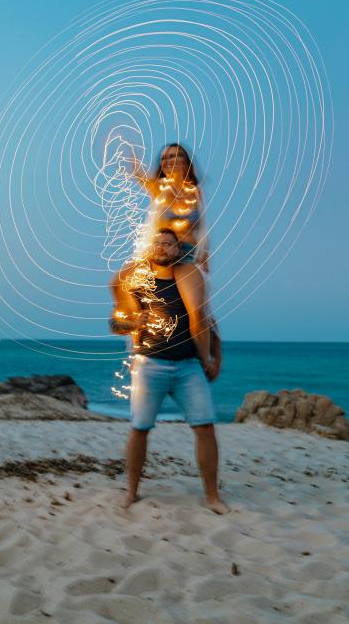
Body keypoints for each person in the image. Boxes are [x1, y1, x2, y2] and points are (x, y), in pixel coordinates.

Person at [110, 228, 228, 514]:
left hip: (188, 367)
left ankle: (212, 497)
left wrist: (213, 359)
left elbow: (207, 322)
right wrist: (137, 320)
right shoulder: (139, 284)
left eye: (168, 244)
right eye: (158, 243)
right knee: (139, 429)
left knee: (205, 427)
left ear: (177, 250)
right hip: (150, 365)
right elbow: (115, 325)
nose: (162, 247)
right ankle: (132, 492)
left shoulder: (188, 279)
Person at [130, 143, 210, 271]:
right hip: (161, 255)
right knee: (119, 284)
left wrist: (205, 256)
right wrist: (127, 147)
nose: (168, 161)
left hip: (188, 254)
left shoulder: (195, 192)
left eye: (173, 156)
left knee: (189, 290)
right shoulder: (159, 187)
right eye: (164, 158)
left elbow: (202, 229)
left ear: (185, 160)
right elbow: (137, 172)